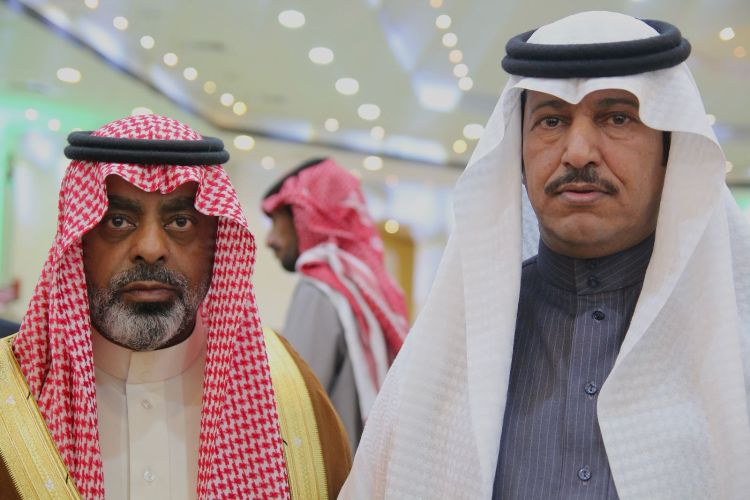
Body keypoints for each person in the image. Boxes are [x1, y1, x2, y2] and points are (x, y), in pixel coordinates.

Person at [341, 11, 750, 500]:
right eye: (551, 121)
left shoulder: (735, 338)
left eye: (617, 118)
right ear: (517, 152)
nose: (578, 152)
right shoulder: (450, 351)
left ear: (670, 151)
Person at [0, 114, 351, 499]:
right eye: (118, 220)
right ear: (79, 242)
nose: (150, 248)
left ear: (216, 245)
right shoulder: (10, 394)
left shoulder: (289, 393)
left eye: (181, 221)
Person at [261, 158, 409, 450]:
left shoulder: (318, 290)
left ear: (306, 216)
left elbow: (289, 403)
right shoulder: (371, 287)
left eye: (277, 220)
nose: (270, 239)